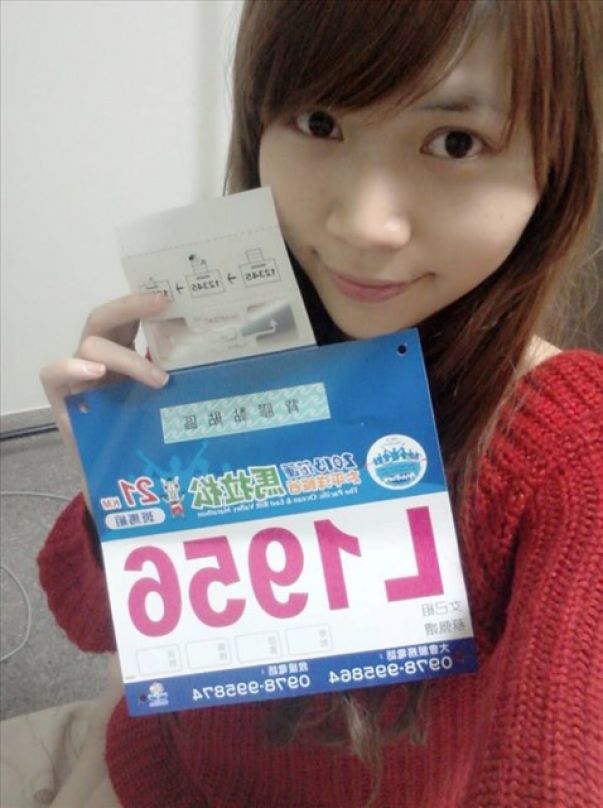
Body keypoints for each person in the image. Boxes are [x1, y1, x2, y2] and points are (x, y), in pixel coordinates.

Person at [38, 1, 602, 806]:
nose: (365, 226)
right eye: (319, 121)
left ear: (556, 164)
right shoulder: (223, 344)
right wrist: (114, 486)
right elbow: (90, 623)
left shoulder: (566, 444)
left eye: (455, 142)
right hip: (161, 776)